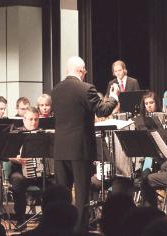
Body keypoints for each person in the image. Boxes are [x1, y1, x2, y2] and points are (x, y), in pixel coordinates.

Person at [51, 56, 119, 230]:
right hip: (79, 149)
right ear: (81, 70)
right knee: (82, 195)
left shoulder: (56, 89)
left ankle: (60, 229)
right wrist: (113, 97)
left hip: (60, 149)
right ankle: (80, 230)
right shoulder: (86, 88)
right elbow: (103, 110)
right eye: (85, 71)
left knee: (62, 195)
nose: (86, 74)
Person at [8, 106, 52, 230]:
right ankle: (21, 219)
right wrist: (15, 158)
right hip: (19, 171)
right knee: (18, 180)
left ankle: (48, 219)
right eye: (30, 119)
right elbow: (5, 155)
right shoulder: (16, 134)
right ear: (24, 120)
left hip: (40, 173)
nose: (33, 122)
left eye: (36, 119)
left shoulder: (44, 135)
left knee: (53, 184)